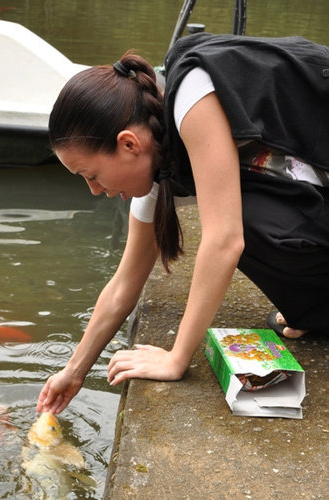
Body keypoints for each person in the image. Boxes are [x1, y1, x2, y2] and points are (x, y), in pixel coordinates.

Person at [37, 32, 329, 415]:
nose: (95, 190)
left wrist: (177, 358)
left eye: (91, 174)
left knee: (237, 216)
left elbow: (225, 240)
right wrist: (73, 372)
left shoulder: (193, 97)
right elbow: (125, 283)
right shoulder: (160, 160)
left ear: (128, 144)